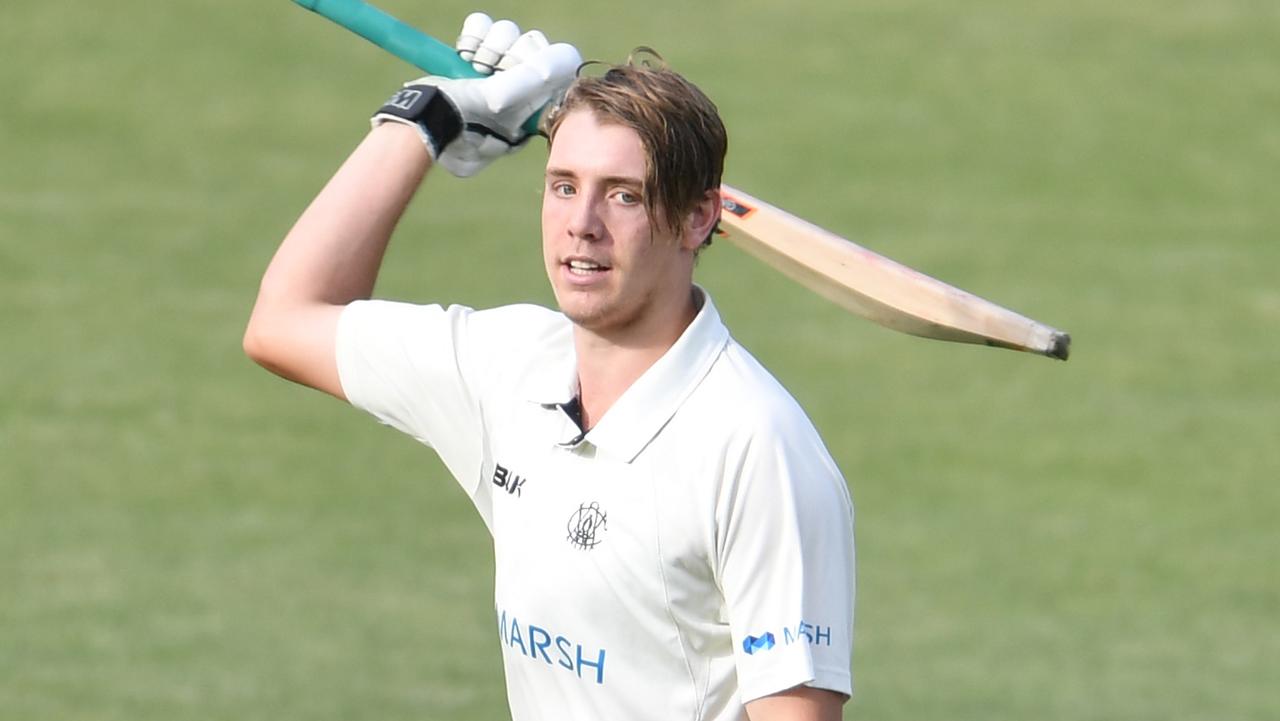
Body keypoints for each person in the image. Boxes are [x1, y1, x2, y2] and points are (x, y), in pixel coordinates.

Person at [244, 12, 854, 721]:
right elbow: (284, 319)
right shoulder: (507, 369)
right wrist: (425, 118)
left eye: (622, 193)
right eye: (564, 185)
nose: (581, 223)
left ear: (696, 219)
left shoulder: (758, 448)